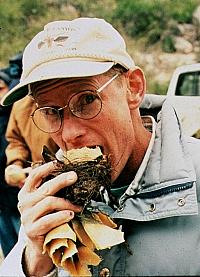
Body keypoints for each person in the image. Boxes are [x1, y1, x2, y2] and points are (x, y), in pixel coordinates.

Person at [0, 17, 200, 276]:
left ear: (133, 88)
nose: (70, 134)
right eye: (50, 111)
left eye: (87, 99)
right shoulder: (50, 197)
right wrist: (33, 260)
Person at [4, 95, 59, 186]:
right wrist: (16, 164)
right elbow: (16, 141)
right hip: (39, 179)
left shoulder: (61, 96)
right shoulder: (19, 104)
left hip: (69, 172)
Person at [0, 70, 20, 257]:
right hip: (1, 202)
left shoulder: (17, 109)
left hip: (18, 196)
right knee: (11, 256)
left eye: (0, 88)